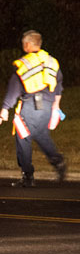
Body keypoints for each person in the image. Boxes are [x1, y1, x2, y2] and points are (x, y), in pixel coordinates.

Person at [1, 31, 67, 187]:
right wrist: (56, 107)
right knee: (40, 134)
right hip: (48, 106)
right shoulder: (51, 62)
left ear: (28, 45)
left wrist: (5, 108)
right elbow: (58, 85)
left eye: (24, 43)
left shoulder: (25, 64)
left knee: (23, 137)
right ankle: (58, 162)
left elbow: (14, 88)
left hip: (30, 106)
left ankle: (28, 175)